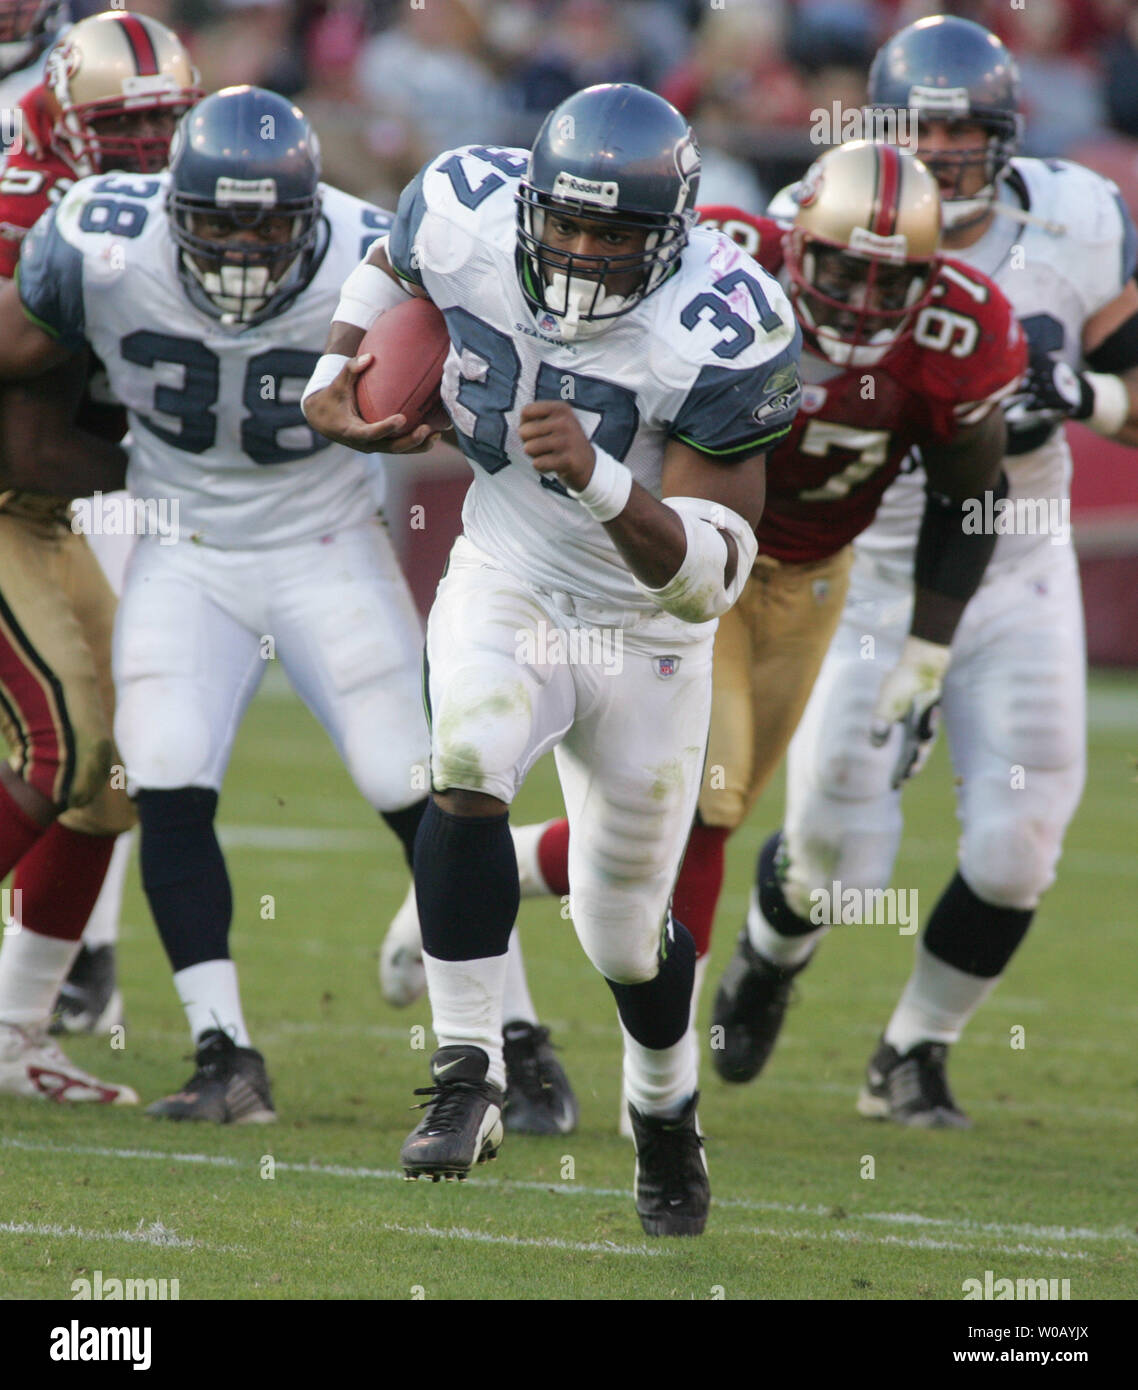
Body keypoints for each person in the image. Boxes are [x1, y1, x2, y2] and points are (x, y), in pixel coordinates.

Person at [429, 139, 1027, 1136]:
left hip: (807, 575)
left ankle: (496, 866)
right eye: (837, 266)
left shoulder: (961, 333)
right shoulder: (717, 276)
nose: (857, 297)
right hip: (667, 565)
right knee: (704, 805)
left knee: (741, 824)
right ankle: (660, 1088)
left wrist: (925, 652)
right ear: (795, 240)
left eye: (889, 279)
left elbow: (973, 492)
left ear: (933, 274)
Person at [303, 82, 801, 1236]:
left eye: (613, 236)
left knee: (622, 930)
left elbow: (715, 572)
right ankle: (467, 1073)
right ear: (529, 203)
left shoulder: (722, 322)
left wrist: (602, 477)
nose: (582, 251)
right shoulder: (466, 206)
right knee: (466, 758)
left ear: (669, 238)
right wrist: (337, 371)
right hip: (509, 571)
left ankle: (665, 1117)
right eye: (567, 223)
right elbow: (392, 260)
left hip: (650, 631)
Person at [715, 15, 1138, 1126]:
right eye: (923, 132)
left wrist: (1086, 396)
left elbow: (1137, 394)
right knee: (833, 861)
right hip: (861, 559)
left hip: (1016, 557)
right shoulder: (812, 216)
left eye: (967, 134)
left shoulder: (1079, 216)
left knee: (1018, 842)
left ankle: (914, 1047)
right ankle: (769, 955)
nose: (945, 155)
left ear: (1005, 136)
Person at [0, 83, 436, 1122]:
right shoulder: (98, 242)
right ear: (168, 208)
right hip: (184, 543)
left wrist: (440, 419)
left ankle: (501, 1042)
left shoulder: (374, 255)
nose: (243, 247)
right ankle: (224, 1054)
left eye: (269, 222)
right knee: (159, 771)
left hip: (326, 538)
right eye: (219, 221)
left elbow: (471, 397)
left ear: (315, 218)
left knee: (415, 781)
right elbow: (20, 373)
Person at [0, 8, 201, 1104]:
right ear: (67, 122)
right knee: (62, 742)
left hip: (42, 510)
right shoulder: (30, 194)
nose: (145, 154)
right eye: (120, 132)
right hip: (7, 488)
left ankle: (14, 1030)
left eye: (161, 126)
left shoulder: (168, 191)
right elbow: (27, 408)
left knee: (124, 761)